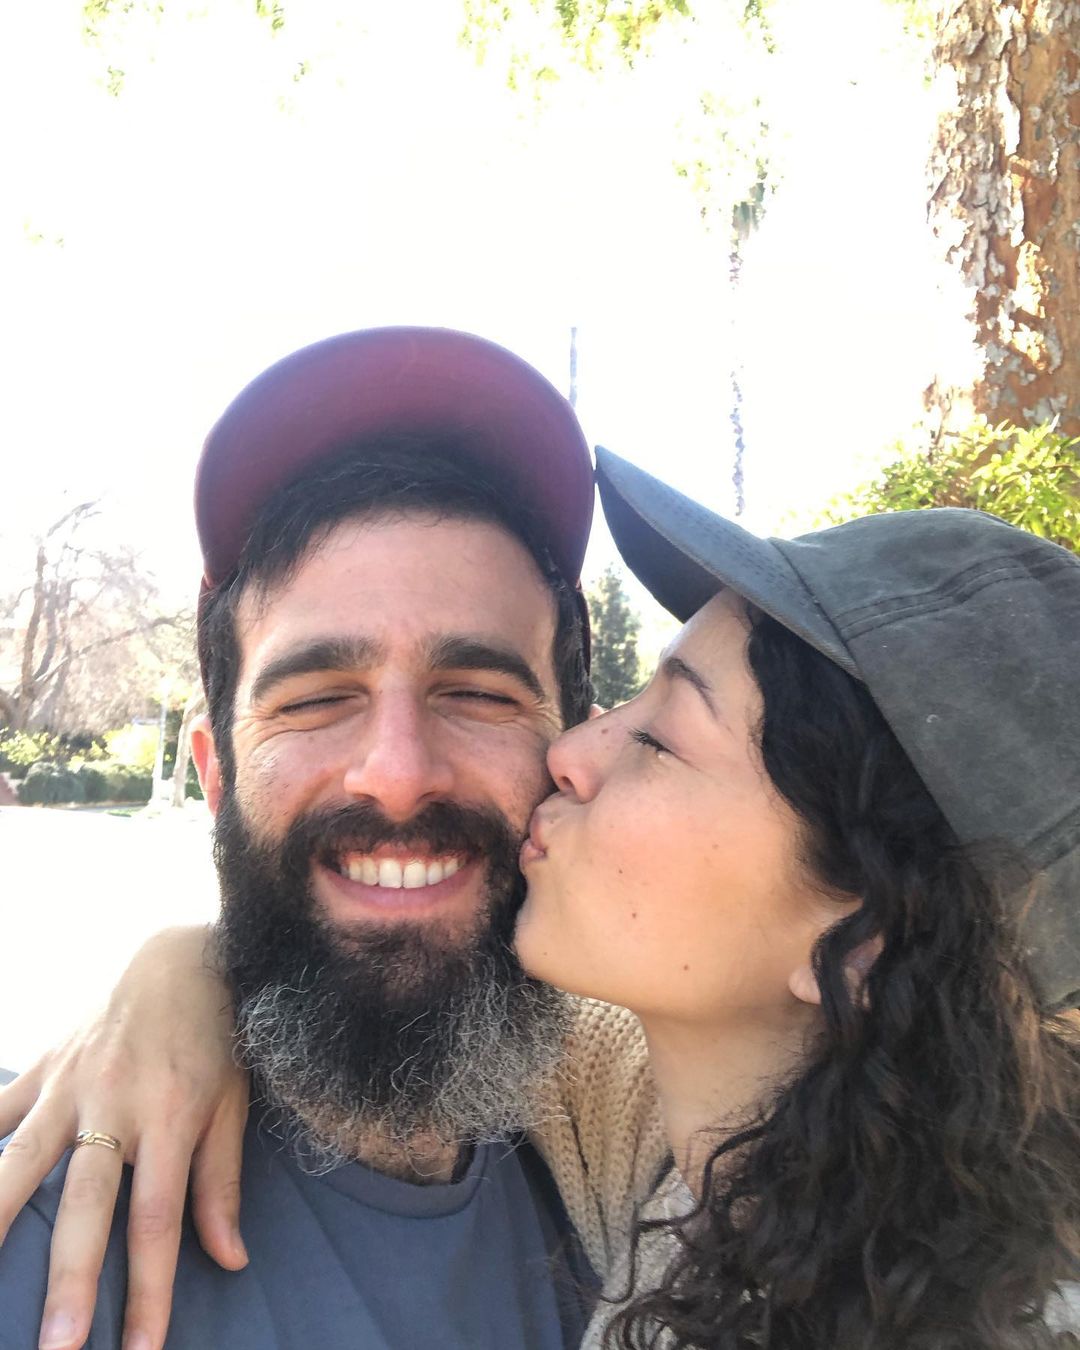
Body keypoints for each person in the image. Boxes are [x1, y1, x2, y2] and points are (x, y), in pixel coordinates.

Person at [6, 447, 1080, 1346]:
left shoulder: (965, 1303)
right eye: (316, 698)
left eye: (660, 738)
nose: (580, 754)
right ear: (217, 774)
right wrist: (188, 966)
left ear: (865, 938)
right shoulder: (638, 1132)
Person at [0, 325, 666, 1350]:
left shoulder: (648, 1182)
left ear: (572, 752)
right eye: (315, 699)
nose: (397, 773)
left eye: (479, 692)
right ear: (216, 772)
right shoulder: (40, 1227)